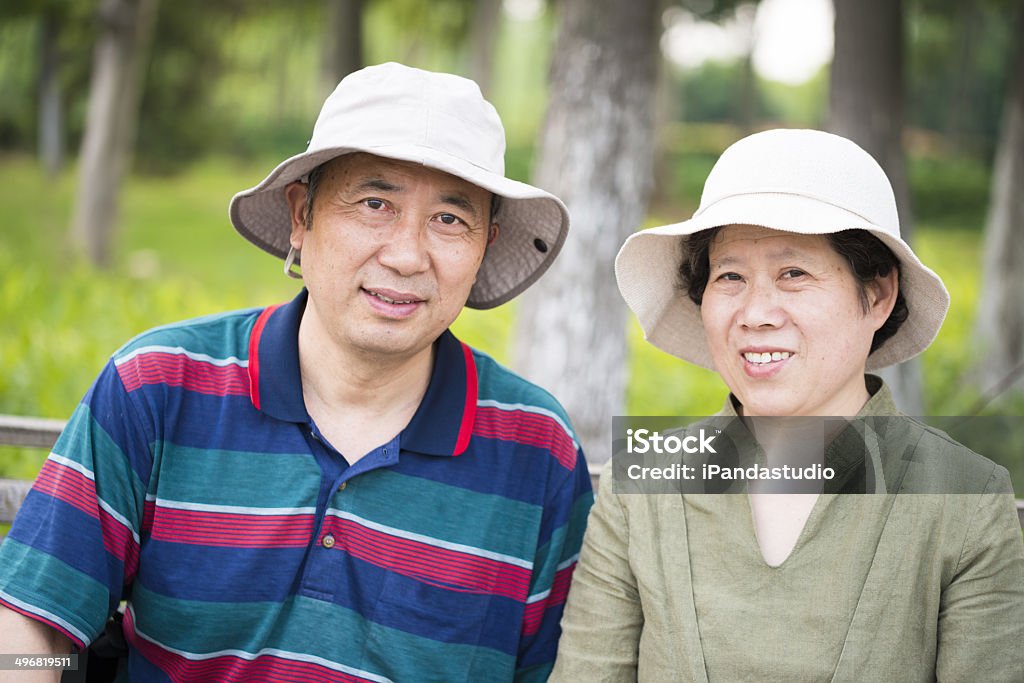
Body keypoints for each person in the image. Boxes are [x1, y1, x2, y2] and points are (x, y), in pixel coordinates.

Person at [0, 62, 593, 682]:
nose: (407, 254)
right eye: (373, 203)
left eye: (449, 220)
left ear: (485, 246)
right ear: (301, 216)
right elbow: (32, 622)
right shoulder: (160, 384)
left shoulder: (536, 448)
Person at [550, 129, 1024, 681]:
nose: (756, 313)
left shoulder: (964, 499)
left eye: (793, 273)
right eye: (730, 276)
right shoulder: (642, 488)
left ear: (877, 294)